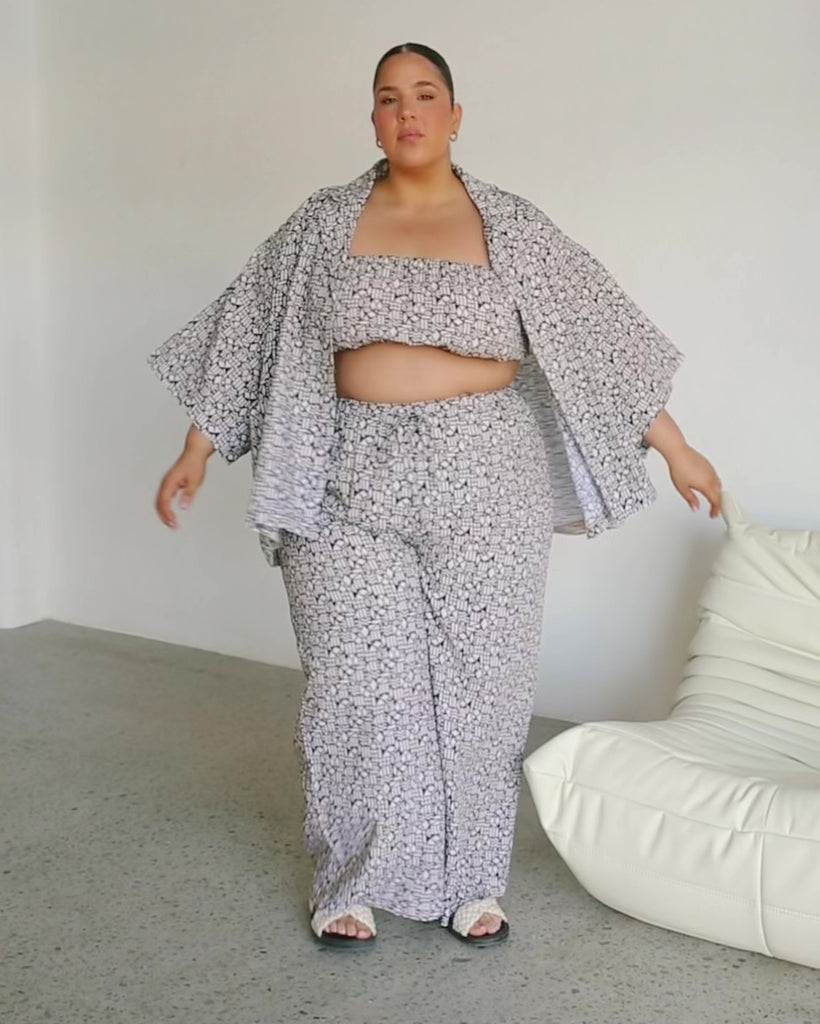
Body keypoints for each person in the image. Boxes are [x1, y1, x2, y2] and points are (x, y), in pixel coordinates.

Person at [150, 42, 722, 951]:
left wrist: (677, 447)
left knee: (481, 682)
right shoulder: (323, 223)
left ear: (456, 115)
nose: (407, 111)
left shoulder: (512, 226)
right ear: (373, 119)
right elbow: (251, 329)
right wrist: (197, 449)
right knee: (353, 686)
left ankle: (471, 880)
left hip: (486, 472)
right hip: (344, 472)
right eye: (389, 97)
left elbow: (595, 333)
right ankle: (353, 879)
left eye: (425, 95)